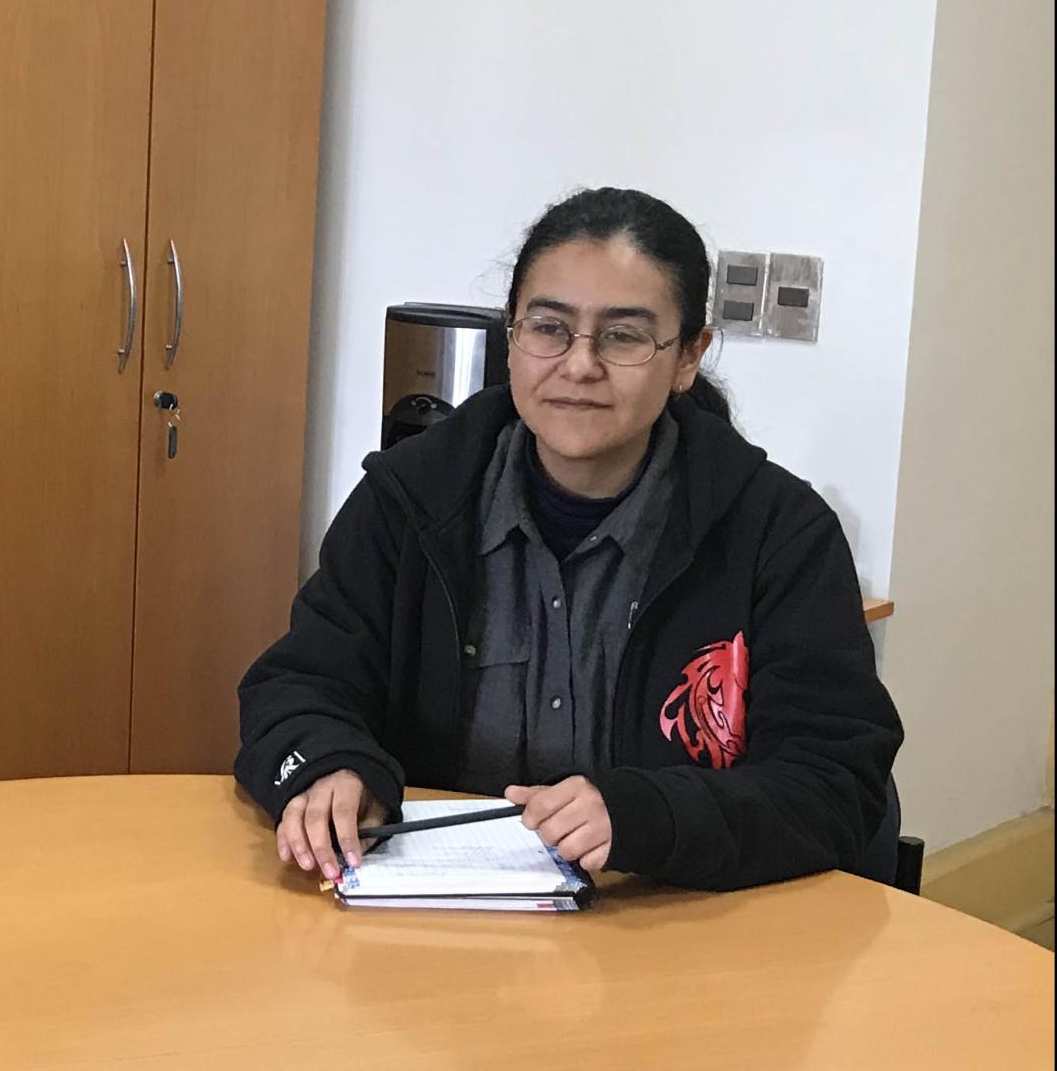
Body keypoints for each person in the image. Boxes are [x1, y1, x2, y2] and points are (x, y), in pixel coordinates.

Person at [235, 187, 900, 892]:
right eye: (548, 328)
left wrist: (650, 816)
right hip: (425, 929)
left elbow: (834, 784)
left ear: (686, 357)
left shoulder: (777, 533)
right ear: (511, 336)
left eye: (622, 336)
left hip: (672, 932)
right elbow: (298, 683)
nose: (579, 365)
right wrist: (327, 764)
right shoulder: (410, 499)